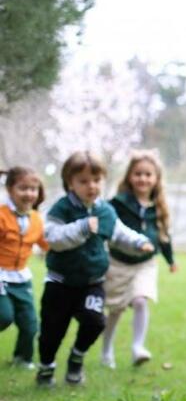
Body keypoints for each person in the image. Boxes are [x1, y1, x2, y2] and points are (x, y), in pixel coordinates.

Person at [36, 151, 152, 387]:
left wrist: (139, 242)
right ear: (70, 182)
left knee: (95, 321)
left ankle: (77, 357)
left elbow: (118, 232)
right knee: (52, 331)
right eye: (84, 181)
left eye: (97, 180)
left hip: (93, 282)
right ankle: (46, 367)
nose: (92, 186)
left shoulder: (105, 210)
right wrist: (81, 228)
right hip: (60, 282)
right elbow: (53, 238)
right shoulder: (62, 209)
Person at [100, 151, 177, 368]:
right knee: (115, 310)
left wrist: (171, 260)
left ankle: (137, 348)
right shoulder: (118, 203)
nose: (143, 179)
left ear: (156, 179)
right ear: (129, 177)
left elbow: (163, 237)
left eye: (148, 174)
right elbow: (107, 225)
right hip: (118, 264)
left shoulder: (158, 208)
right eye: (138, 174)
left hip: (145, 264)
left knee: (141, 300)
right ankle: (106, 351)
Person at [0, 167, 49, 369]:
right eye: (23, 188)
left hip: (21, 276)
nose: (29, 193)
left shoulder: (36, 219)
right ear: (10, 189)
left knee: (30, 323)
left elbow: (47, 244)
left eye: (33, 189)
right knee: (4, 317)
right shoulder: (2, 215)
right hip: (0, 275)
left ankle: (23, 358)